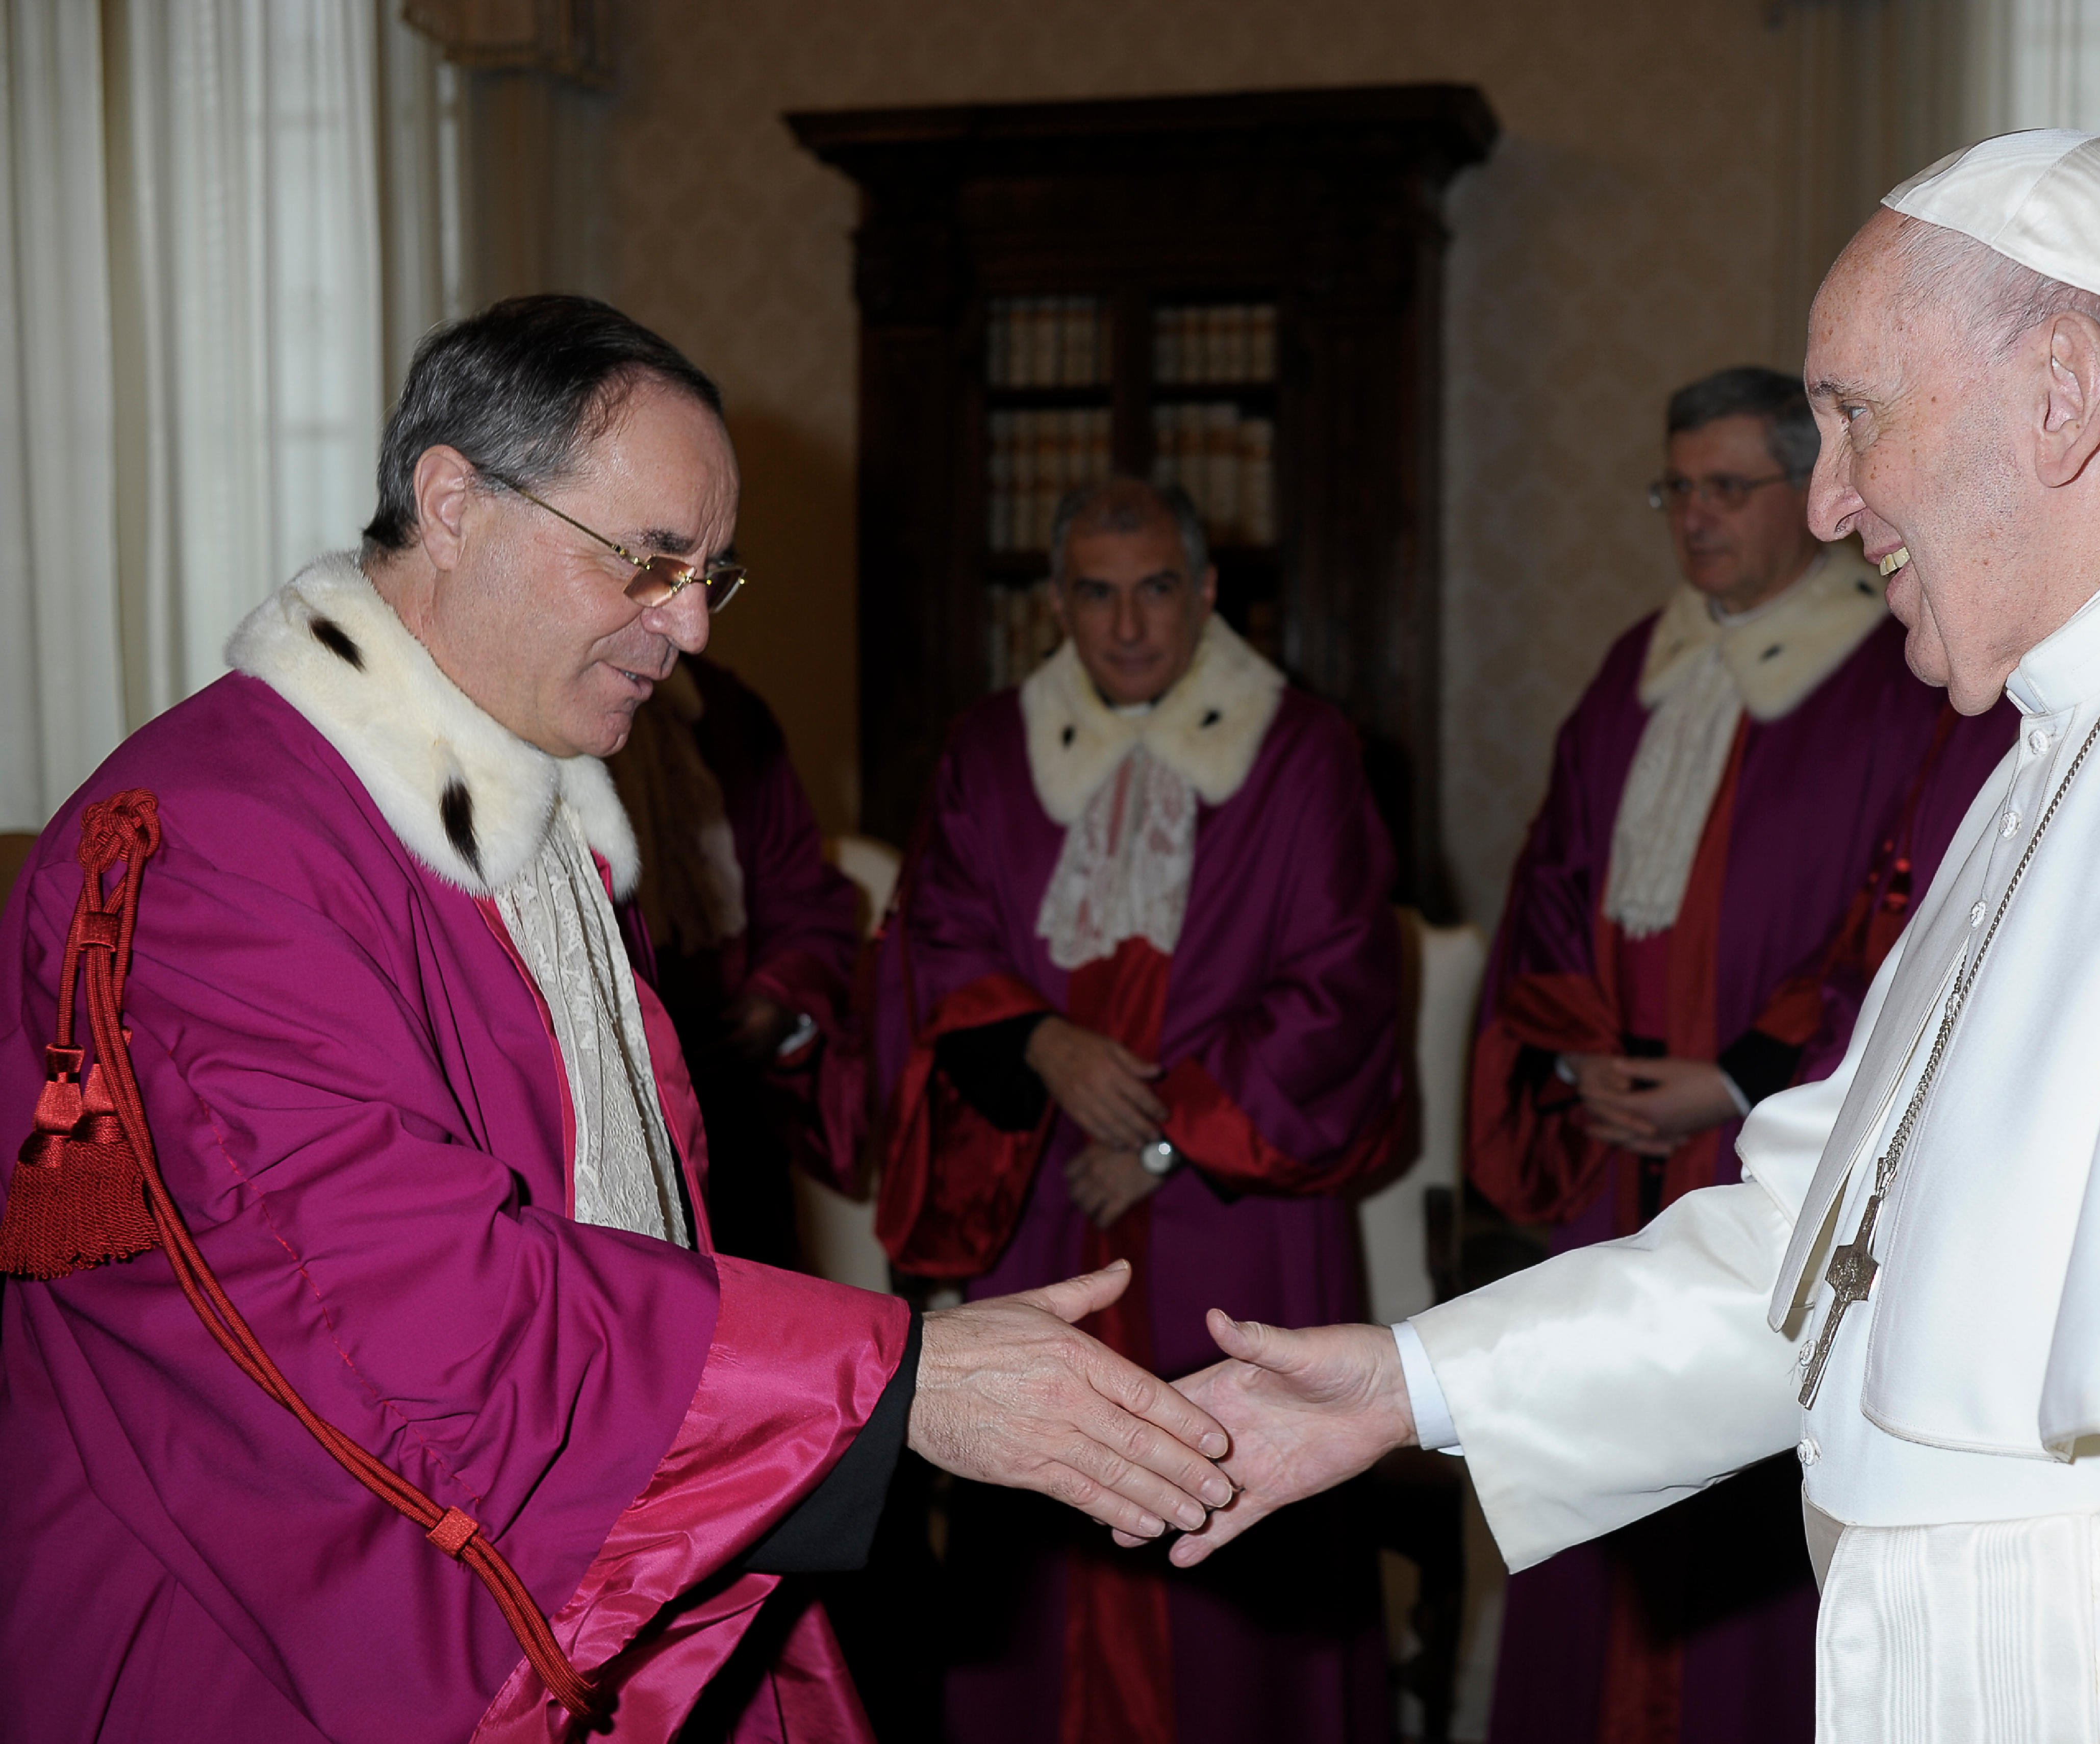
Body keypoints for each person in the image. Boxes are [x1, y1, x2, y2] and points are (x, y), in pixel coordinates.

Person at [1136, 130, 2100, 1740]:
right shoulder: (2066, 726)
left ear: (2056, 394)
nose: (1829, 498)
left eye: (1852, 414)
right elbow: (1824, 1248)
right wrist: (1417, 1383)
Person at [0, 296, 1236, 1743]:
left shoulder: (531, 801)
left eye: (713, 574)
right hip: (282, 1634)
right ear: (454, 500)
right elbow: (397, 1308)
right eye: (651, 562)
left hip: (555, 1539)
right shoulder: (214, 843)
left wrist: (882, 1380)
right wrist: (897, 1381)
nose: (693, 626)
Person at [1469, 368, 2010, 1744]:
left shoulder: (1898, 677)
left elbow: (1907, 917)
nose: (1695, 519)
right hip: (1618, 1158)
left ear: (1808, 501)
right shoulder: (1628, 675)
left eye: (1727, 488)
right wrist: (1574, 1059)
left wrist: (1736, 1079)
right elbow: (1550, 883)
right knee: (1595, 1487)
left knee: (1742, 1561)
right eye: (1677, 489)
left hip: (1773, 1157)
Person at [866, 477, 1405, 1744]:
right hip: (1046, 1189)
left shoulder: (1299, 747)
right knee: (1039, 1528)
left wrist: (1175, 1136)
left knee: (1241, 1555)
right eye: (1094, 593)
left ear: (1205, 591)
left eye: (1155, 587)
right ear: (1055, 603)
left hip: (1233, 1205)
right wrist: (1043, 1043)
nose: (1124, 625)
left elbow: (1341, 986)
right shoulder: (988, 748)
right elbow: (929, 944)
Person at [605, 650, 865, 1268]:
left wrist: (778, 997)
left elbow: (803, 899)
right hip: (609, 1118)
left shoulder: (729, 716)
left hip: (732, 1107)